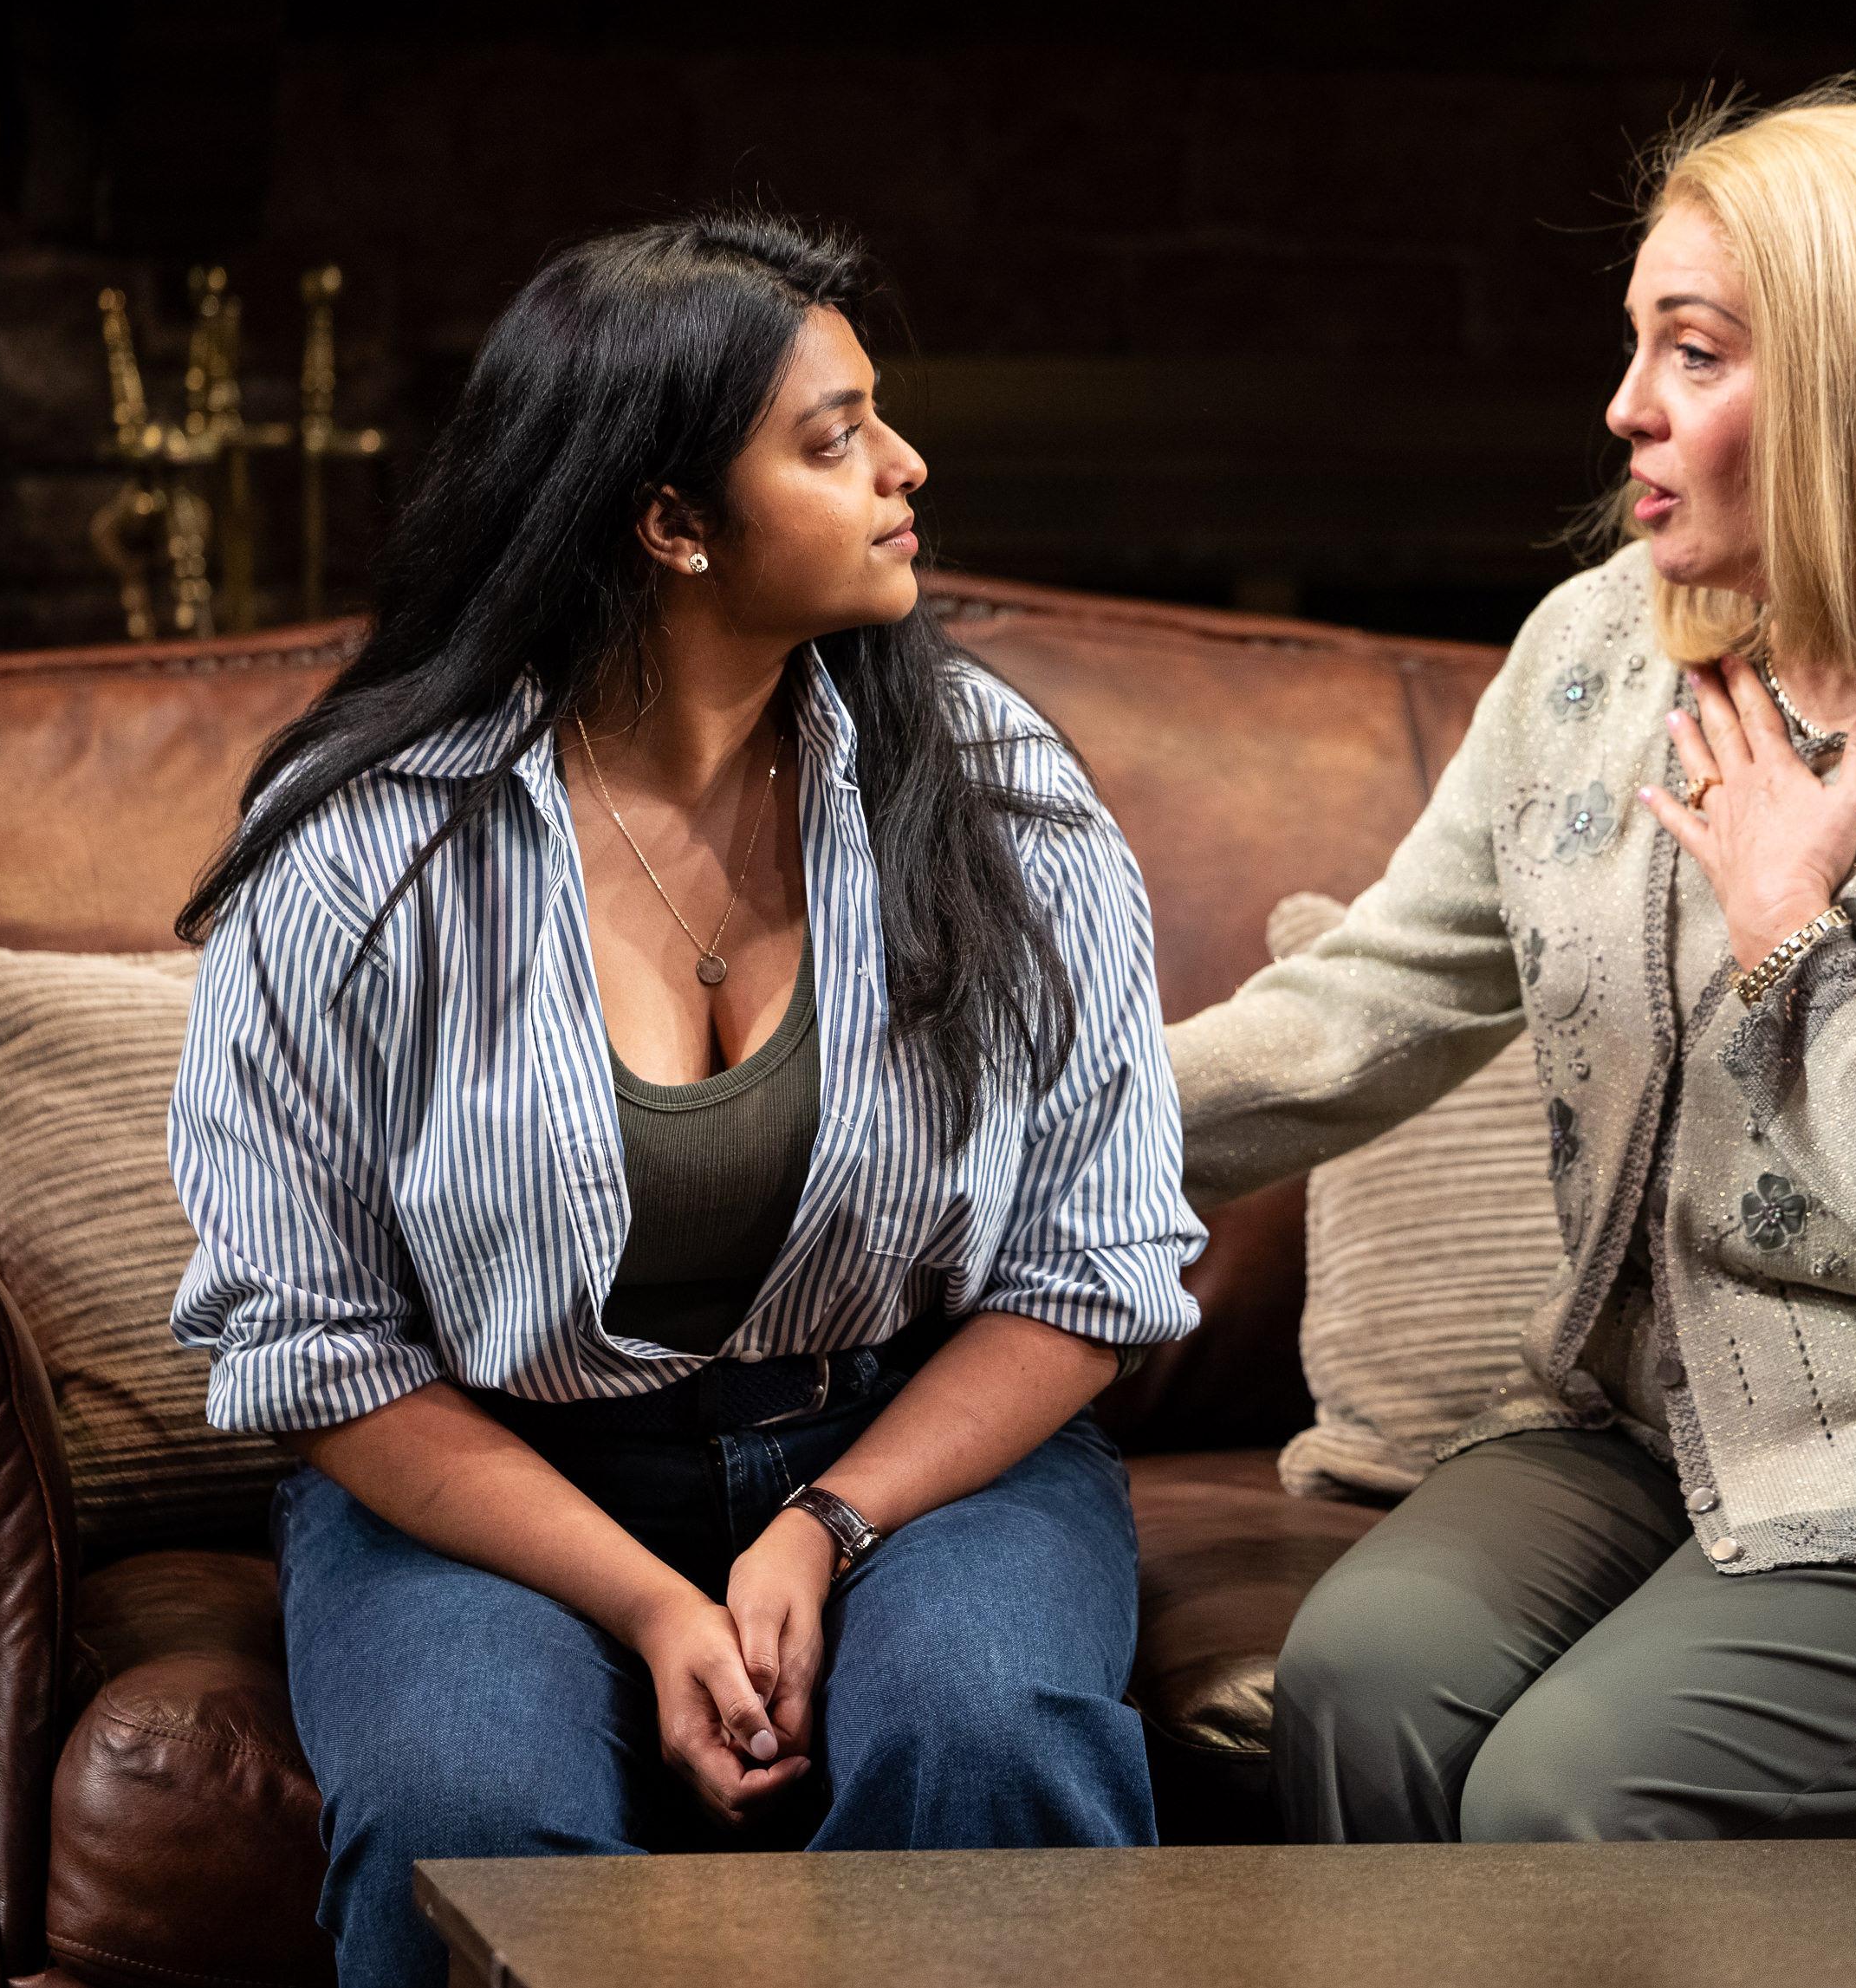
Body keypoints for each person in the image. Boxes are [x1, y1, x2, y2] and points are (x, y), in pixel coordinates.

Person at [1168, 81, 1856, 1846]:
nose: (1626, 408)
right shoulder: (1600, 650)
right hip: (1642, 1430)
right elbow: (1376, 1002)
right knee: (1361, 1675)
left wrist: (1796, 943)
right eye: (1637, 342)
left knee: (1564, 1798)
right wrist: (1007, 1134)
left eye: (1694, 352)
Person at [166, 209, 1200, 1987]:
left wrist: (829, 1520)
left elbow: (1093, 1272)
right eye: (833, 437)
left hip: (911, 1449)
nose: (906, 466)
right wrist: (652, 1600)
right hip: (503, 1461)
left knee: (986, 1738)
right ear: (669, 522)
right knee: (463, 1814)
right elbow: (318, 1346)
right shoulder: (366, 853)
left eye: (881, 417)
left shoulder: (1003, 793)